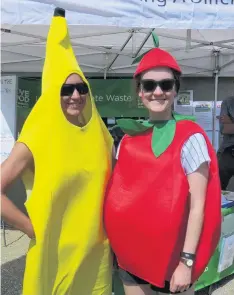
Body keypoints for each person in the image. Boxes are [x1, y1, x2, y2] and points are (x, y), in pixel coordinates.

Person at [1, 8, 114, 295]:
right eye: (66, 90)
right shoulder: (37, 137)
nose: (75, 96)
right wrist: (29, 228)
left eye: (80, 88)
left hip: (95, 258)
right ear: (54, 93)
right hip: (53, 260)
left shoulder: (101, 136)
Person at [104, 48, 221, 295]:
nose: (158, 92)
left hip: (173, 261)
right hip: (130, 257)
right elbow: (121, 193)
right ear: (140, 91)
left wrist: (186, 262)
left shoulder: (191, 137)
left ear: (175, 89)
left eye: (166, 84)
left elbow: (199, 204)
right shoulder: (128, 138)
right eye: (149, 85)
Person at [218, 96, 234, 190]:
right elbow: (224, 129)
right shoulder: (228, 102)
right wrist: (229, 125)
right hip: (228, 152)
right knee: (216, 189)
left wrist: (231, 121)